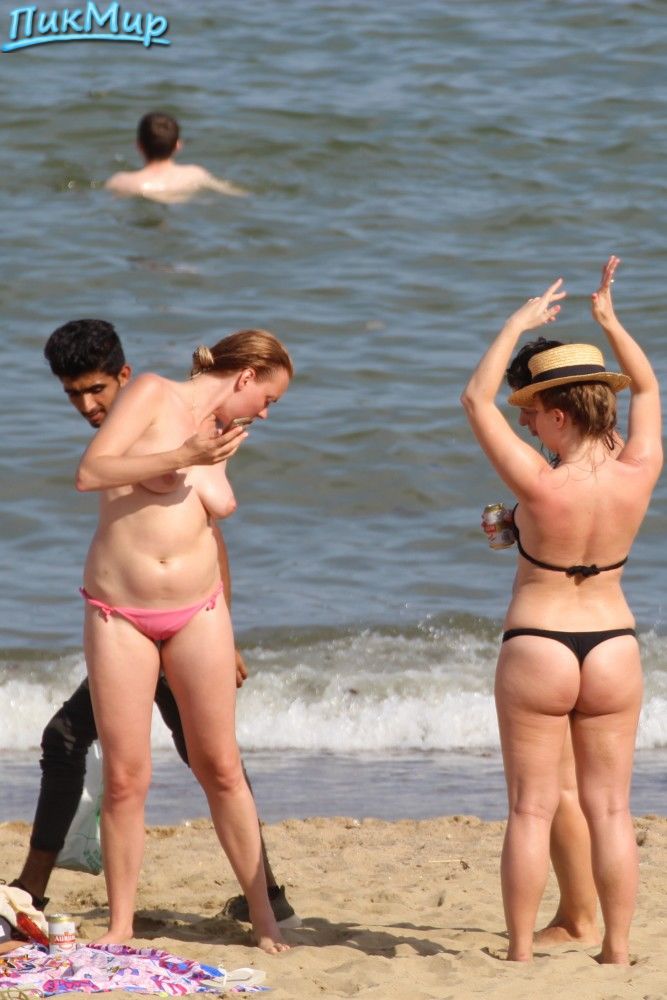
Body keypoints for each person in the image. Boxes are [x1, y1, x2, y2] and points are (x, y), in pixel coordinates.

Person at [7, 320, 298, 933]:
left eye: (95, 390)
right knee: (115, 767)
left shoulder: (212, 425)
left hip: (196, 614)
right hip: (123, 615)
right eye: (73, 394)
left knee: (218, 763)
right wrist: (185, 456)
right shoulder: (150, 407)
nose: (88, 406)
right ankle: (85, 910)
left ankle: (267, 907)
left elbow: (207, 529)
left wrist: (228, 625)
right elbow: (93, 473)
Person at [461, 256, 662, 964]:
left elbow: (475, 399)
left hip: (540, 643)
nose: (526, 424)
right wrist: (611, 322)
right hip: (613, 646)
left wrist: (516, 323)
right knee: (611, 809)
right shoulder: (640, 468)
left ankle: (520, 951)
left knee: (529, 808)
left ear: (558, 413)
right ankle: (617, 949)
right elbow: (647, 384)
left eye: (533, 413)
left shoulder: (539, 485)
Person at [105, 111, 247, 203]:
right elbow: (232, 192)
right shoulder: (195, 174)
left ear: (138, 146)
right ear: (178, 145)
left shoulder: (122, 182)